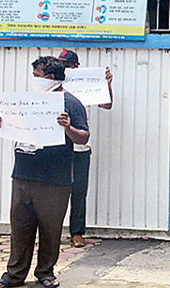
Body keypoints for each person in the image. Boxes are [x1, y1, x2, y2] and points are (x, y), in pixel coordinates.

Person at [0, 56, 89, 288]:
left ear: (51, 78)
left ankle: (45, 272)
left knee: (50, 229)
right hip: (23, 175)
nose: (34, 81)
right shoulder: (27, 101)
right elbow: (16, 128)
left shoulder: (71, 103)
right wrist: (1, 122)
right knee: (20, 227)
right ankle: (13, 275)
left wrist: (67, 128)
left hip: (54, 180)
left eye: (37, 76)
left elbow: (83, 136)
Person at [57, 49, 114, 249]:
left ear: (75, 68)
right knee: (54, 191)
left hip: (80, 146)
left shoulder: (87, 84)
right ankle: (52, 231)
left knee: (79, 190)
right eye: (61, 65)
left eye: (67, 65)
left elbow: (106, 105)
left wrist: (106, 84)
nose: (64, 69)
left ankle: (77, 233)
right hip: (55, 147)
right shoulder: (52, 87)